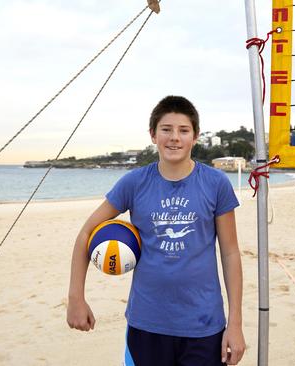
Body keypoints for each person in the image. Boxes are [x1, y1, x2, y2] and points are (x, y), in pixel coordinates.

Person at [67, 96, 245, 365]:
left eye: (183, 130)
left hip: (204, 324)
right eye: (166, 129)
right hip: (147, 323)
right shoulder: (134, 182)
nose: (174, 137)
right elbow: (85, 234)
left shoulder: (216, 183)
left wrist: (235, 324)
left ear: (195, 136)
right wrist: (76, 298)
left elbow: (230, 253)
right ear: (153, 135)